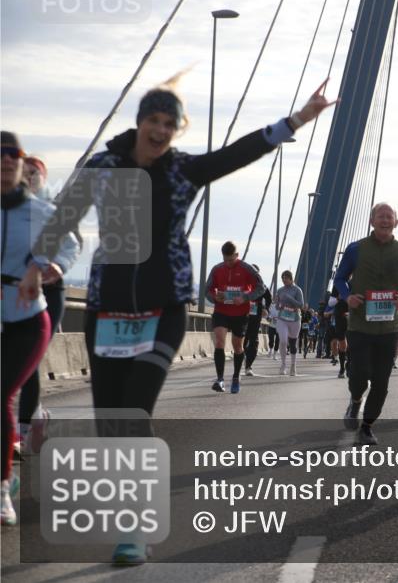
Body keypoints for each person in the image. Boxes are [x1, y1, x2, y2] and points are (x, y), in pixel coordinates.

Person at [20, 77, 337, 562]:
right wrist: (42, 264)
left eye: (171, 124)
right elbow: (62, 219)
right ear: (140, 121)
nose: (161, 130)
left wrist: (297, 119)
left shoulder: (183, 171)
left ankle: (134, 529)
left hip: (164, 308)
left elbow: (237, 153)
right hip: (106, 310)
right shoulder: (102, 167)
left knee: (135, 413)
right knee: (110, 424)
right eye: (154, 120)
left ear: (176, 128)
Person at [1, 132, 79, 526]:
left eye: (13, 159)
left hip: (33, 310)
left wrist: (52, 267)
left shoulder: (41, 210)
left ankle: (4, 485)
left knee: (8, 387)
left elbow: (70, 244)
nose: (7, 165)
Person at [333, 203, 398, 445]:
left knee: (381, 381)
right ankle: (356, 400)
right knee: (359, 375)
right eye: (380, 216)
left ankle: (367, 426)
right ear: (371, 221)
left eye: (389, 217)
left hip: (389, 328)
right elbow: (340, 278)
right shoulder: (355, 249)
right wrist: (347, 296)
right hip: (360, 326)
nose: (384, 220)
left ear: (396, 222)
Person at [17, 154, 76, 454]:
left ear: (42, 178)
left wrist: (59, 266)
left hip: (49, 294)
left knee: (30, 359)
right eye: (23, 173)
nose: (28, 178)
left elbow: (70, 246)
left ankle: (24, 430)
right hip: (13, 295)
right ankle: (36, 416)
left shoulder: (51, 212)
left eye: (34, 174)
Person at [205, 241, 265, 393]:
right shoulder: (217, 269)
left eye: (231, 260)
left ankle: (236, 377)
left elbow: (261, 288)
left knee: (238, 346)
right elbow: (207, 290)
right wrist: (214, 297)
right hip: (221, 311)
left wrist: (245, 298)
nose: (228, 263)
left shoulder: (247, 269)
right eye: (225, 260)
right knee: (219, 341)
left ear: (237, 256)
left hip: (240, 313)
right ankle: (220, 379)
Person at [273, 271, 305, 375]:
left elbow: (301, 305)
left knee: (292, 343)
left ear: (291, 279)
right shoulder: (280, 290)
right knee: (282, 340)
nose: (284, 280)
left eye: (286, 278)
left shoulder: (297, 290)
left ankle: (293, 365)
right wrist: (278, 303)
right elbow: (277, 306)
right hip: (282, 318)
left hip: (294, 319)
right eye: (283, 278)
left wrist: (290, 298)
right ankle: (283, 365)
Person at [243, 263, 272, 376]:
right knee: (242, 339)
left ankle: (248, 366)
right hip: (242, 315)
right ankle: (244, 356)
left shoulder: (262, 285)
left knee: (254, 340)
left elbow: (269, 298)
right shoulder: (243, 283)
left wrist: (266, 309)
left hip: (255, 315)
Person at [331, 290, 350, 377]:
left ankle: (348, 365)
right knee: (343, 345)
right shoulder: (337, 285)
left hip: (353, 317)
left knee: (351, 343)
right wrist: (338, 298)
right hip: (340, 318)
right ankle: (342, 368)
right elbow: (330, 303)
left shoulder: (356, 282)